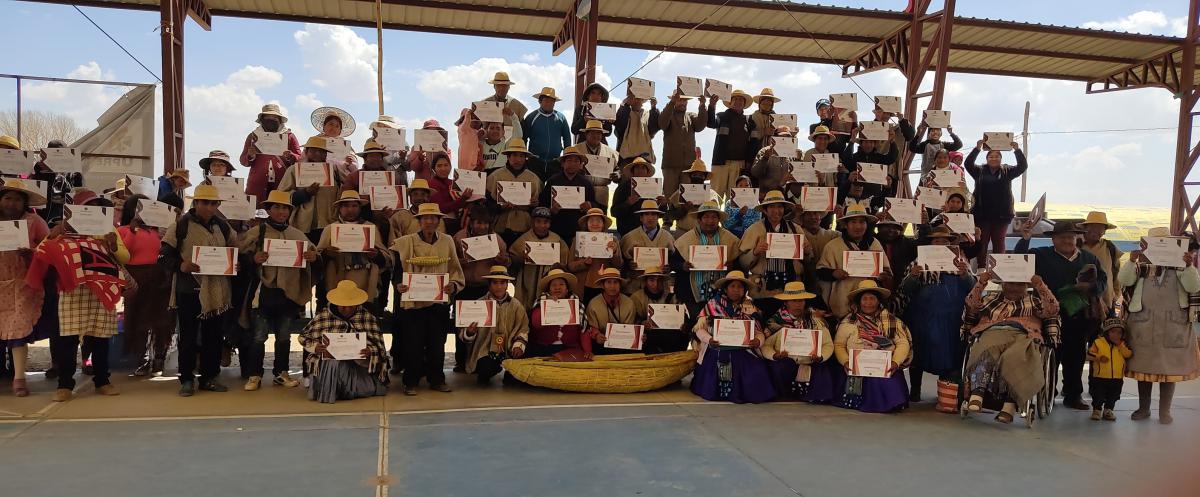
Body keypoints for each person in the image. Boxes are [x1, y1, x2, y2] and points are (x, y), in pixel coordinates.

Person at [27, 199, 132, 402]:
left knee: (101, 338)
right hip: (72, 290)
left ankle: (102, 381)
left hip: (101, 291)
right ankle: (64, 385)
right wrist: (54, 234)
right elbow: (43, 251)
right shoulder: (65, 228)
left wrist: (112, 245)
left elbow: (125, 257)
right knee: (68, 339)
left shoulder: (110, 230)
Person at [1016, 220, 1106, 411]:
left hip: (1079, 316)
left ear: (1076, 238)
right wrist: (1025, 239)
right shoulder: (1040, 255)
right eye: (1063, 237)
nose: (1068, 240)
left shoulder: (1089, 259)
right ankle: (1047, 391)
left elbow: (1102, 282)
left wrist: (1090, 287)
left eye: (1071, 237)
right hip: (1048, 315)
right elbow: (1018, 261)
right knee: (1049, 354)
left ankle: (1073, 395)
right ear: (1054, 239)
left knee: (1076, 356)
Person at [160, 184, 237, 396]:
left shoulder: (223, 227)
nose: (209, 207)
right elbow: (163, 255)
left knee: (213, 337)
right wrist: (180, 265)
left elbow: (236, 249)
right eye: (205, 203)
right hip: (189, 290)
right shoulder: (180, 226)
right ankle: (186, 379)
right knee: (188, 337)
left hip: (217, 291)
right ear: (196, 203)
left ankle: (210, 377)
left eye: (214, 203)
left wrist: (235, 263)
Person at [1118, 227, 1200, 424]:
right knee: (1143, 369)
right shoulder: (1140, 267)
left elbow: (1193, 287)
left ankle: (1165, 411)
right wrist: (1131, 261)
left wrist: (1189, 266)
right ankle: (1143, 408)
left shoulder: (1182, 268)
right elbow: (1124, 280)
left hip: (1174, 325)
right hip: (1142, 325)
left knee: (1168, 370)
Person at [239, 190, 316, 391]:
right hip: (263, 292)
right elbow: (239, 257)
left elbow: (316, 256)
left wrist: (312, 257)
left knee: (283, 336)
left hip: (287, 294)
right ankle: (254, 374)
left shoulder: (297, 235)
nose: (281, 211)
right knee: (259, 336)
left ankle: (281, 373)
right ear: (268, 210)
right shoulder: (257, 233)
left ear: (290, 211)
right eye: (277, 207)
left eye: (285, 208)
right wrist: (253, 259)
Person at [961, 271, 1060, 424]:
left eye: (1019, 284)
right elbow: (971, 306)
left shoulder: (1035, 302)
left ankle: (1010, 404)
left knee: (1015, 357)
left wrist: (1040, 286)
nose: (1014, 288)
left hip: (1023, 334)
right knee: (987, 350)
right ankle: (977, 393)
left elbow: (1052, 310)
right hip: (993, 331)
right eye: (1010, 283)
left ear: (1026, 285)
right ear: (1002, 284)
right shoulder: (990, 298)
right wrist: (981, 283)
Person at [392, 203, 465, 395]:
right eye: (426, 218)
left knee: (436, 344)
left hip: (437, 302)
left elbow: (455, 269)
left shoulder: (447, 241)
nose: (430, 222)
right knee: (412, 344)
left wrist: (453, 286)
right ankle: (411, 382)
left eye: (434, 218)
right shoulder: (405, 242)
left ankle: (437, 380)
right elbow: (397, 270)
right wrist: (399, 284)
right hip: (414, 302)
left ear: (439, 221)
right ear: (419, 221)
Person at [897, 226, 975, 402]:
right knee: (919, 352)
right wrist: (913, 276)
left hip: (952, 319)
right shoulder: (917, 262)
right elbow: (905, 291)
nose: (941, 244)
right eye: (937, 241)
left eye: (945, 241)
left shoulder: (962, 262)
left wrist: (965, 276)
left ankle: (946, 391)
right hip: (922, 317)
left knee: (951, 353)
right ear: (930, 243)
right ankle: (915, 389)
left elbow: (973, 289)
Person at [689, 271, 775, 403]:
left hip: (743, 350)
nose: (736, 290)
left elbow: (758, 332)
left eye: (740, 287)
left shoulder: (750, 307)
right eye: (732, 286)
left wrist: (757, 341)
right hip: (716, 348)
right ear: (726, 288)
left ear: (744, 290)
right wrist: (710, 340)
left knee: (757, 370)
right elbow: (699, 330)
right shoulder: (713, 305)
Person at [299, 280, 390, 404]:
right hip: (329, 366)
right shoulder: (323, 316)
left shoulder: (367, 317)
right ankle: (331, 390)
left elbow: (380, 347)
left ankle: (345, 389)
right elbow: (304, 337)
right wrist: (315, 347)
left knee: (368, 386)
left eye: (350, 306)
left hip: (359, 367)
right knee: (332, 362)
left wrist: (370, 351)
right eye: (343, 305)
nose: (346, 309)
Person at [0, 180, 51, 397]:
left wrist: (32, 253)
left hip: (24, 283)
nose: (12, 203)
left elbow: (49, 247)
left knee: (18, 329)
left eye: (17, 199)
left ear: (24, 203)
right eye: (7, 198)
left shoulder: (34, 222)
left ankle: (19, 379)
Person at [117, 195, 175, 376]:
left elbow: (165, 250)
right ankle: (141, 358)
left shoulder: (158, 231)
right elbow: (123, 254)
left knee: (161, 320)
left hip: (158, 277)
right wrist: (133, 232)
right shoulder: (123, 230)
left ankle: (159, 357)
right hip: (135, 278)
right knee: (137, 320)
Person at [833, 280, 912, 413]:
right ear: (859, 301)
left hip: (883, 366)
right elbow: (839, 345)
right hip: (855, 367)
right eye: (865, 299)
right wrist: (846, 362)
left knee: (887, 381)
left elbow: (903, 343)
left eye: (872, 299)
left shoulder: (892, 321)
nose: (868, 303)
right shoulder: (848, 321)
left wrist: (895, 362)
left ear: (878, 301)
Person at [452, 204, 511, 370]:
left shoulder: (497, 240)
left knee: (484, 326)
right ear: (471, 222)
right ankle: (461, 360)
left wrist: (502, 261)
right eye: (478, 222)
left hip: (485, 288)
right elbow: (450, 261)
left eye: (485, 223)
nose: (481, 226)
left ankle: (480, 359)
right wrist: (458, 262)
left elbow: (505, 263)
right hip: (464, 287)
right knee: (462, 324)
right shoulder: (459, 237)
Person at [737, 190, 811, 319]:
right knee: (763, 322)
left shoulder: (795, 229)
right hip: (762, 288)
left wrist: (807, 252)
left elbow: (808, 260)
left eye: (780, 206)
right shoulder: (754, 229)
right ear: (765, 210)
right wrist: (755, 252)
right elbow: (742, 262)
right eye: (771, 207)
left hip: (791, 287)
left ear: (784, 209)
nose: (776, 210)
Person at [760, 282, 837, 402]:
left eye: (801, 301)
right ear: (786, 302)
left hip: (810, 360)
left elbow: (827, 344)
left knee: (823, 368)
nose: (798, 304)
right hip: (785, 360)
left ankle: (818, 397)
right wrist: (775, 355)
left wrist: (820, 356)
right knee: (780, 367)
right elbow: (766, 345)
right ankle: (784, 395)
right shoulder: (774, 323)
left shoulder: (815, 321)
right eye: (794, 301)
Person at [816, 201, 892, 319]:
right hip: (842, 305)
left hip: (870, 306)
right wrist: (833, 273)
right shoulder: (833, 246)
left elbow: (887, 271)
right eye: (853, 222)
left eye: (862, 222)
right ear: (846, 225)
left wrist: (883, 275)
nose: (858, 226)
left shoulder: (874, 244)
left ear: (867, 225)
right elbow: (820, 271)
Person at [317, 190, 394, 305]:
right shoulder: (330, 229)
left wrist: (376, 255)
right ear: (340, 208)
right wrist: (327, 254)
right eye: (346, 206)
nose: (350, 209)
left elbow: (386, 257)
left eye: (354, 206)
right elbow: (317, 258)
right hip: (337, 279)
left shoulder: (370, 227)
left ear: (359, 208)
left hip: (365, 279)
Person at [458, 266, 528, 384]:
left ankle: (509, 373)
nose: (499, 286)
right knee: (486, 368)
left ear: (507, 284)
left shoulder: (516, 306)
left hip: (509, 348)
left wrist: (518, 345)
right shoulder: (478, 305)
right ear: (489, 285)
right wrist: (470, 332)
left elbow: (523, 327)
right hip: (486, 350)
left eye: (502, 283)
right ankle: (486, 371)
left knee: (514, 378)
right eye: (495, 283)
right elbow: (463, 333)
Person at [965, 136, 1027, 266]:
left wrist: (1017, 150)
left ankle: (999, 271)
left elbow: (1022, 166)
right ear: (986, 159)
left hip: (1002, 215)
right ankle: (982, 269)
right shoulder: (979, 171)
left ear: (1001, 159)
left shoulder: (1008, 170)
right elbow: (968, 164)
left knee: (999, 243)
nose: (994, 158)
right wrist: (977, 149)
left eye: (997, 156)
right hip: (982, 215)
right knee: (982, 243)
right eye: (990, 156)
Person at [672, 201, 741, 314]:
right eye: (706, 217)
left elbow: (740, 265)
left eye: (714, 217)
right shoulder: (686, 240)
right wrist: (682, 266)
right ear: (699, 220)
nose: (710, 221)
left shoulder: (730, 239)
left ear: (719, 220)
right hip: (691, 296)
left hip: (723, 297)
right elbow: (673, 262)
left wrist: (733, 266)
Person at [279, 136, 341, 246]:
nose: (317, 154)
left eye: (321, 151)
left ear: (326, 154)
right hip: (301, 225)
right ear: (306, 152)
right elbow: (282, 198)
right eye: (313, 151)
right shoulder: (294, 170)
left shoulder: (334, 172)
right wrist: (305, 193)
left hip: (328, 224)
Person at [240, 104, 301, 204]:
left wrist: (291, 156)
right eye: (267, 117)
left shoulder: (289, 136)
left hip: (282, 182)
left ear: (279, 120)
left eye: (274, 117)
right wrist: (250, 156)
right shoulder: (253, 136)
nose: (270, 120)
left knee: (280, 211)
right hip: (257, 184)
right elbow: (243, 160)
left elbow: (300, 158)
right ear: (262, 119)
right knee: (256, 214)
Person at [509, 207, 571, 307]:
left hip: (549, 286)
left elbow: (564, 263)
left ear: (550, 223)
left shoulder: (557, 240)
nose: (542, 225)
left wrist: (557, 265)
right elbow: (511, 259)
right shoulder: (524, 239)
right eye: (538, 221)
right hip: (527, 282)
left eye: (546, 222)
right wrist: (521, 258)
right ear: (532, 222)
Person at [486, 139, 541, 246]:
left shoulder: (533, 178)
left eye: (521, 156)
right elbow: (487, 204)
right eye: (514, 155)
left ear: (525, 158)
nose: (518, 160)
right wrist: (500, 207)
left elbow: (539, 206)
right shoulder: (495, 176)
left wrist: (535, 204)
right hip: (501, 225)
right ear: (508, 156)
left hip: (525, 226)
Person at [538, 146, 597, 243]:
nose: (572, 164)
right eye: (569, 160)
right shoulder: (553, 181)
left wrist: (590, 205)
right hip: (556, 229)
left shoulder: (586, 183)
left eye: (576, 161)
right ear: (562, 163)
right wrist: (550, 210)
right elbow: (542, 204)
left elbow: (595, 204)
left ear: (580, 164)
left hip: (578, 229)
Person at [526, 269, 591, 358]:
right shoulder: (541, 301)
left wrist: (587, 351)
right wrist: (547, 306)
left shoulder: (577, 304)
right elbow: (536, 324)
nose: (558, 287)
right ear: (549, 289)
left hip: (570, 349)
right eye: (554, 285)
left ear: (567, 289)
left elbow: (583, 330)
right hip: (544, 349)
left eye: (561, 284)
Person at [619, 200, 675, 295]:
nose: (650, 218)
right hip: (635, 287)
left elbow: (674, 260)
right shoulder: (629, 237)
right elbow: (621, 262)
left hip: (659, 287)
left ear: (658, 217)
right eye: (646, 214)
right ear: (641, 217)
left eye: (653, 214)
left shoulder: (668, 237)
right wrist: (629, 264)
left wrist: (668, 267)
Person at [567, 208, 622, 303]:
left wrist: (614, 252)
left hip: (605, 285)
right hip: (583, 285)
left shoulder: (612, 240)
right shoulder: (578, 240)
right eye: (591, 220)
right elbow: (570, 266)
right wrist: (584, 263)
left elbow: (619, 265)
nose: (595, 223)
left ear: (603, 224)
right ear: (586, 224)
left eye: (598, 220)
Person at [706, 90, 755, 197]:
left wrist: (748, 162)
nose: (738, 101)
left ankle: (732, 214)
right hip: (720, 162)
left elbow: (752, 143)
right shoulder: (721, 116)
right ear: (730, 102)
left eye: (741, 99)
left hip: (739, 163)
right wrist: (712, 106)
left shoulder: (749, 121)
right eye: (735, 99)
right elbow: (710, 124)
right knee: (715, 194)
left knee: (734, 196)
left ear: (744, 103)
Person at [658, 91, 706, 195]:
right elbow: (662, 124)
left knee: (687, 198)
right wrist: (671, 103)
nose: (682, 103)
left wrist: (702, 105)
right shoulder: (668, 115)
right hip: (670, 166)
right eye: (679, 100)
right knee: (669, 198)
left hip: (688, 168)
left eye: (685, 100)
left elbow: (701, 125)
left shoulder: (691, 116)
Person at [631, 266, 689, 354]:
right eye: (652, 280)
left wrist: (683, 325)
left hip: (668, 334)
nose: (656, 283)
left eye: (659, 280)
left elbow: (681, 317)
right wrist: (642, 323)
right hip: (648, 334)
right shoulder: (636, 297)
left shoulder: (671, 297)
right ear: (645, 282)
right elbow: (632, 320)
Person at [583, 268, 637, 355]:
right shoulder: (593, 303)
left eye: (615, 282)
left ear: (620, 285)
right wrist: (596, 335)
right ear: (603, 285)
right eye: (608, 282)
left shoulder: (629, 303)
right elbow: (591, 326)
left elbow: (629, 327)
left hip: (623, 343)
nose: (612, 286)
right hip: (601, 343)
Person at [1088, 318, 1133, 421]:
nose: (1116, 335)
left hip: (1117, 378)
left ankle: (1108, 410)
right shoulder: (1098, 342)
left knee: (1113, 395)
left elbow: (1128, 354)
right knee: (1098, 394)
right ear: (1106, 332)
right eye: (1113, 332)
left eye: (1119, 333)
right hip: (1100, 377)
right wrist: (1099, 357)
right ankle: (1097, 410)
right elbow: (1088, 355)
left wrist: (1120, 346)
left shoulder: (1122, 344)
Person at [1080, 211, 1124, 317]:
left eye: (1100, 228)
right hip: (1081, 302)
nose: (1096, 231)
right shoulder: (1076, 246)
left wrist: (1116, 294)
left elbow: (1116, 272)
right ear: (1085, 228)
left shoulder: (1110, 247)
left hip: (1108, 302)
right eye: (1093, 227)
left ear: (1104, 231)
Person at [523, 87, 572, 175]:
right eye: (546, 100)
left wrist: (566, 158)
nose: (549, 103)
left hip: (555, 162)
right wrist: (524, 157)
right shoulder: (531, 117)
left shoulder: (561, 118)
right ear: (540, 101)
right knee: (536, 188)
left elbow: (567, 139)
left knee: (554, 188)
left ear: (554, 102)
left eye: (552, 101)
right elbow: (524, 138)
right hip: (535, 161)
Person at [611, 157, 664, 235]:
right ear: (632, 172)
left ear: (647, 172)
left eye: (643, 168)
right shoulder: (623, 187)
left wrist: (663, 204)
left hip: (651, 232)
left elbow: (662, 214)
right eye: (637, 168)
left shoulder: (655, 187)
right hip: (629, 232)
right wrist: (628, 203)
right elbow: (614, 212)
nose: (640, 170)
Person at [576, 120, 620, 215]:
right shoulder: (576, 150)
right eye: (592, 133)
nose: (596, 136)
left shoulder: (611, 152)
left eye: (599, 133)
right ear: (586, 134)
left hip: (602, 194)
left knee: (600, 221)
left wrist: (617, 175)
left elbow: (619, 170)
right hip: (582, 193)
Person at [310, 106, 359, 180]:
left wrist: (350, 163)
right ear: (324, 126)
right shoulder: (315, 141)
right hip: (317, 172)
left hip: (340, 176)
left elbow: (354, 166)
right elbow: (304, 158)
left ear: (340, 131)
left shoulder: (345, 144)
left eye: (337, 126)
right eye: (331, 124)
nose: (333, 128)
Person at [613, 91, 659, 166]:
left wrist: (653, 108)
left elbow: (653, 129)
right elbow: (619, 127)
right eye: (635, 98)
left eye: (640, 99)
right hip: (626, 158)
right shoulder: (624, 111)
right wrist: (626, 105)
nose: (637, 101)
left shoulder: (647, 115)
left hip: (644, 158)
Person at [666, 159, 711, 235]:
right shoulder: (680, 192)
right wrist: (684, 209)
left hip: (704, 234)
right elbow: (671, 215)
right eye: (695, 175)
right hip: (682, 232)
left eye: (701, 175)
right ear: (690, 176)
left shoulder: (711, 194)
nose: (697, 177)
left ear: (705, 177)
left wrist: (704, 209)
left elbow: (716, 217)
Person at [874, 215, 917, 292]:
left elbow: (924, 244)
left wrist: (924, 224)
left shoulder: (906, 244)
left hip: (900, 292)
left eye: (895, 228)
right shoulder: (871, 242)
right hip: (874, 292)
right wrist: (873, 221)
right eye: (887, 226)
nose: (891, 230)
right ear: (879, 228)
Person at [748, 88, 781, 154]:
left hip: (773, 154)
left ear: (772, 104)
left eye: (769, 100)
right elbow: (747, 136)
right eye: (764, 100)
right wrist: (763, 132)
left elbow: (783, 137)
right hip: (755, 153)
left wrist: (792, 132)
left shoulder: (778, 119)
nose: (767, 102)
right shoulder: (752, 118)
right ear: (760, 102)